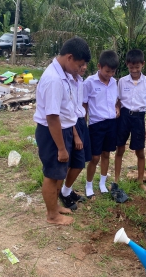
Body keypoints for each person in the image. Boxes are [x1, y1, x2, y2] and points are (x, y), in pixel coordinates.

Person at [33, 37, 91, 225]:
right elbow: (52, 117)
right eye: (79, 65)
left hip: (63, 129)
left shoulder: (64, 75)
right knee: (52, 174)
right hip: (52, 133)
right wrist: (61, 148)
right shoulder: (54, 79)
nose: (80, 69)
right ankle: (52, 215)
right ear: (69, 57)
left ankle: (55, 207)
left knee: (60, 172)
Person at [112, 49, 146, 202]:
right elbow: (118, 101)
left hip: (139, 118)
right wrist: (117, 109)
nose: (134, 70)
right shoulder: (122, 81)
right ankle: (116, 181)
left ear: (142, 65)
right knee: (120, 149)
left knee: (140, 152)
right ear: (127, 65)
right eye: (131, 67)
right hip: (124, 117)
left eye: (137, 67)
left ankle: (140, 182)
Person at [83, 50, 120, 199]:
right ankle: (89, 184)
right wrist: (84, 125)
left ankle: (102, 183)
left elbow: (116, 100)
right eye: (107, 71)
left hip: (111, 123)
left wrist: (117, 108)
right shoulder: (89, 83)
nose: (110, 74)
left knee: (106, 154)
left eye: (112, 71)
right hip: (96, 124)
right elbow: (84, 105)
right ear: (99, 66)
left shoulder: (114, 82)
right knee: (95, 157)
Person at [59, 61, 92, 210]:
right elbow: (66, 112)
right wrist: (76, 135)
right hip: (70, 125)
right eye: (81, 64)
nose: (84, 67)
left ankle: (67, 190)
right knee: (74, 163)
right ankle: (62, 193)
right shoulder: (65, 83)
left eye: (86, 64)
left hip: (80, 122)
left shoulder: (80, 81)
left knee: (79, 162)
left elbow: (80, 106)